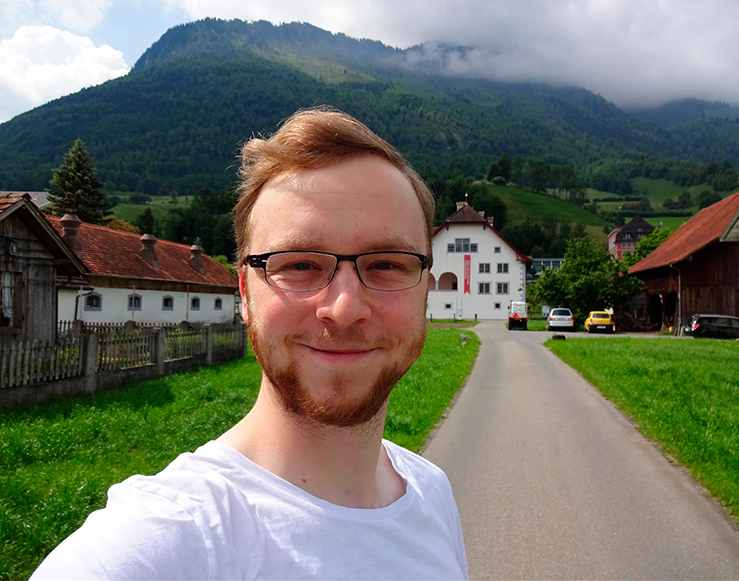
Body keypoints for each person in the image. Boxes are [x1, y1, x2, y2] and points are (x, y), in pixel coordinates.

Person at [32, 107, 469, 580]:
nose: (344, 309)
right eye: (299, 265)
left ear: (425, 289)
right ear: (244, 293)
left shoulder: (430, 492)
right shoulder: (156, 545)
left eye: (386, 264)